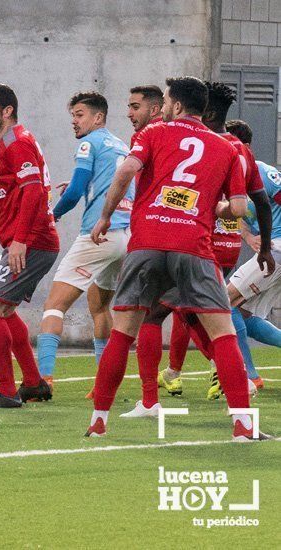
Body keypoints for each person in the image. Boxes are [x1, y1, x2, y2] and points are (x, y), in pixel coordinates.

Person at [87, 76, 266, 441]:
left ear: (177, 106)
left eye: (166, 101)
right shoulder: (227, 149)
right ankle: (243, 425)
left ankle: (99, 420)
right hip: (194, 247)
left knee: (124, 332)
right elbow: (239, 207)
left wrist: (105, 216)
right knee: (223, 334)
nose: (163, 106)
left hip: (147, 242)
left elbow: (125, 171)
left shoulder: (153, 133)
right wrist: (209, 208)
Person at [152, 82, 274, 404]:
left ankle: (234, 373)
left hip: (197, 240)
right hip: (228, 242)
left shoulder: (200, 143)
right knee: (196, 308)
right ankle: (178, 373)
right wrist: (255, 241)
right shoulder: (240, 150)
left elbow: (190, 196)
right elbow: (254, 202)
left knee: (194, 308)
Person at [35, 91, 132, 387]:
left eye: (79, 115)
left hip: (98, 235)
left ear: (97, 117)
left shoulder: (90, 143)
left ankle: (44, 379)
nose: (74, 122)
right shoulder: (120, 145)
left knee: (54, 305)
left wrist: (51, 215)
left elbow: (76, 191)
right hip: (125, 236)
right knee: (100, 307)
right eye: (72, 116)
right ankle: (105, 381)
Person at [0, 83, 59, 408]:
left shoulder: (16, 142)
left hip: (31, 241)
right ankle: (34, 383)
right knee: (4, 309)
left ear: (7, 111)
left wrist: (20, 240)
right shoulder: (12, 141)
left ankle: (8, 391)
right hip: (28, 240)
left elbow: (34, 191)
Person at [222, 120, 281, 387]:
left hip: (277, 251)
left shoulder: (264, 173)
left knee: (224, 302)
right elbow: (237, 214)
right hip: (270, 251)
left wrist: (268, 243)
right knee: (244, 315)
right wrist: (248, 236)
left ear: (245, 146)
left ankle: (248, 376)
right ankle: (248, 375)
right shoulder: (232, 176)